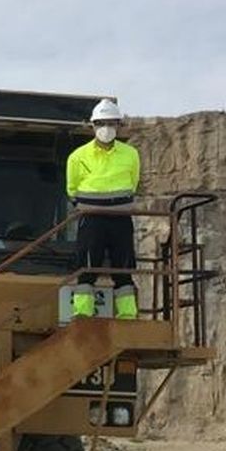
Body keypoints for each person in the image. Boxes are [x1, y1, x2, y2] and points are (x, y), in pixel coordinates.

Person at [66, 98, 141, 321]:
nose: (106, 128)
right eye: (101, 123)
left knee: (123, 269)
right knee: (87, 268)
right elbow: (72, 188)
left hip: (120, 218)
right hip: (91, 218)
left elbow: (133, 183)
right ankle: (83, 313)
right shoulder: (78, 156)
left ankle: (128, 315)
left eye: (110, 123)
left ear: (118, 125)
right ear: (93, 126)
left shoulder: (130, 154)